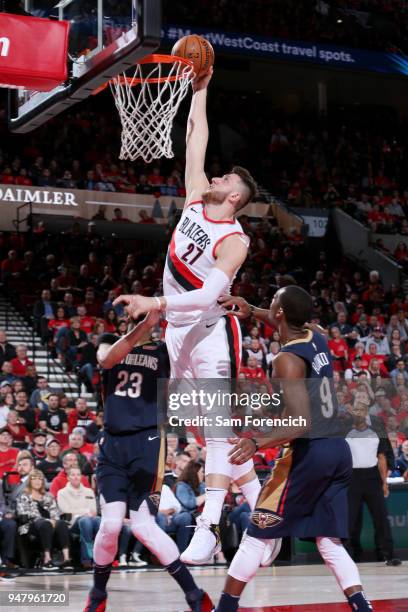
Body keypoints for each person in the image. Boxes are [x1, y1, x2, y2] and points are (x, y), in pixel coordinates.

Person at [113, 67, 265, 566]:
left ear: (237, 197)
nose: (215, 177)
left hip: (209, 331)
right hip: (177, 334)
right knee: (203, 432)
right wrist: (200, 87)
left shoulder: (236, 241)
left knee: (217, 432)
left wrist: (154, 304)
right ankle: (268, 517)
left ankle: (208, 528)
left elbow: (205, 299)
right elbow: (194, 135)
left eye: (226, 179)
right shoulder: (198, 197)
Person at [213, 286, 372, 612]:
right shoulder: (318, 337)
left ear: (281, 313)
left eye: (273, 303)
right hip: (338, 451)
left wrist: (256, 441)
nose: (269, 306)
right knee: (329, 540)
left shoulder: (286, 360)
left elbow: (300, 423)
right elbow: (289, 322)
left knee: (258, 531)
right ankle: (361, 605)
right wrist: (252, 309)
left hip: (309, 451)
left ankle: (224, 608)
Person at [84, 313, 213, 612]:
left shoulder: (163, 350)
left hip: (148, 443)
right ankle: (98, 594)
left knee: (143, 527)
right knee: (111, 524)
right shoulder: (109, 343)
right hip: (113, 444)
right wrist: (143, 325)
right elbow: (105, 360)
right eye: (134, 316)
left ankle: (194, 595)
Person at [345, 398, 401, 565]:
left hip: (372, 478)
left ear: (367, 412)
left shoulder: (376, 427)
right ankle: (350, 555)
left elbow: (382, 456)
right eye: (356, 409)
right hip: (352, 478)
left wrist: (384, 482)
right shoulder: (345, 428)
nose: (358, 413)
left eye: (361, 410)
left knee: (381, 518)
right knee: (351, 520)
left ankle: (387, 555)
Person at [16, 469, 72, 570]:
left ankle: (66, 559)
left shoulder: (48, 496)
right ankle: (47, 559)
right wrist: (47, 520)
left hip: (50, 523)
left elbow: (55, 512)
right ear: (30, 481)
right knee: (45, 524)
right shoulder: (23, 496)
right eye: (34, 479)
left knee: (61, 524)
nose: (37, 481)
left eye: (40, 479)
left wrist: (54, 520)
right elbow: (23, 513)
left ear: (43, 482)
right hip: (31, 525)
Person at [57, 466, 100, 569]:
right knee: (85, 521)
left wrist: (83, 513)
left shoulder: (89, 491)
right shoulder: (62, 493)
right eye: (73, 475)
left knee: (100, 521)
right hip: (72, 524)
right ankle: (87, 560)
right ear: (68, 477)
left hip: (90, 519)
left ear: (81, 477)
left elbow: (94, 510)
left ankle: (102, 558)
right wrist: (85, 512)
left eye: (78, 474)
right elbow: (66, 511)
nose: (76, 477)